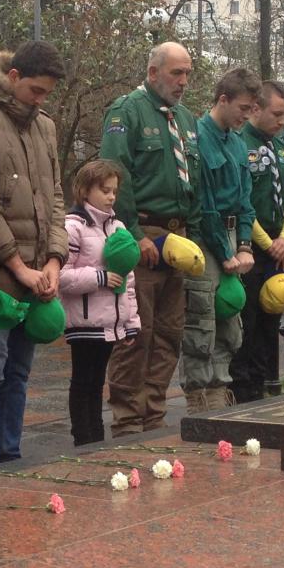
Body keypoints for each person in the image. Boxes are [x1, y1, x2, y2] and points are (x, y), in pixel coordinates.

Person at [0, 41, 68, 468]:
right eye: (36, 91)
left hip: (39, 269)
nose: (41, 101)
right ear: (14, 77)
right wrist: (18, 267)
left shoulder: (46, 126)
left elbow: (56, 196)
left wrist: (54, 261)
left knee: (20, 372)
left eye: (48, 94)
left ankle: (11, 454)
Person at [98, 42, 201, 436]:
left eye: (188, 73)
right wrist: (134, 233)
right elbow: (114, 172)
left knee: (170, 332)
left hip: (179, 237)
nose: (183, 81)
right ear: (153, 71)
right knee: (137, 331)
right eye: (177, 73)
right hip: (144, 232)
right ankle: (127, 420)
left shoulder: (186, 119)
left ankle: (154, 412)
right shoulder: (127, 111)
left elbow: (195, 180)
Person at [180, 68, 259, 412]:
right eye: (242, 107)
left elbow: (246, 200)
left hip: (231, 238)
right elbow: (204, 203)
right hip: (204, 239)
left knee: (230, 314)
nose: (246, 115)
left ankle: (219, 389)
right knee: (202, 318)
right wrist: (225, 252)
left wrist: (244, 244)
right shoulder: (196, 137)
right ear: (223, 99)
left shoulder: (238, 144)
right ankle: (198, 397)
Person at [59, 160, 141, 446]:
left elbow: (128, 278)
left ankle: (95, 436)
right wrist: (101, 277)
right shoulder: (73, 226)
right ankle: (83, 436)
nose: (111, 197)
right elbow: (61, 275)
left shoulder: (117, 226)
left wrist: (131, 322)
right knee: (83, 380)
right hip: (84, 320)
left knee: (97, 382)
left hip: (111, 321)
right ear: (84, 191)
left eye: (114, 191)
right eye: (104, 190)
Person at [230, 80, 284, 403]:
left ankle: (263, 383)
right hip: (248, 246)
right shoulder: (239, 143)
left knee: (271, 320)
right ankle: (241, 388)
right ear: (256, 109)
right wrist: (265, 241)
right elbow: (243, 200)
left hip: (278, 249)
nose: (282, 121)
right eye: (277, 113)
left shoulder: (283, 149)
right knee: (248, 322)